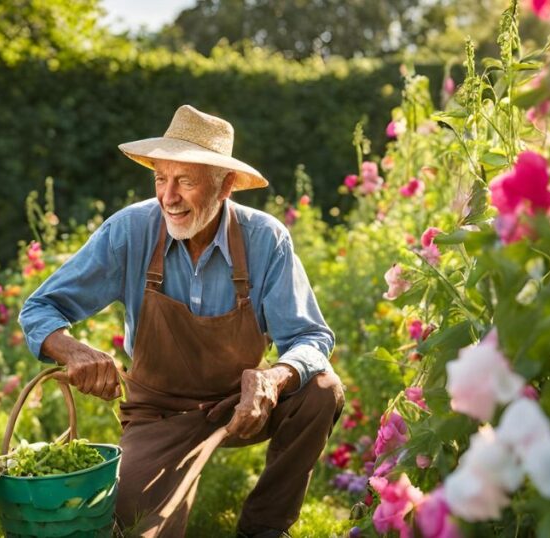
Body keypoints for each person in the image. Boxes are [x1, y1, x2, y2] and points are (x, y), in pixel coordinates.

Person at [19, 105, 344, 538]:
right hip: (158, 414)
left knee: (321, 389)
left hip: (240, 405)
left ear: (225, 185)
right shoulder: (130, 231)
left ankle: (264, 527)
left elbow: (309, 336)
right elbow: (39, 309)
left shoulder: (265, 239)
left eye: (185, 181)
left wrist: (276, 378)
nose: (168, 196)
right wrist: (73, 350)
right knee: (137, 527)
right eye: (161, 178)